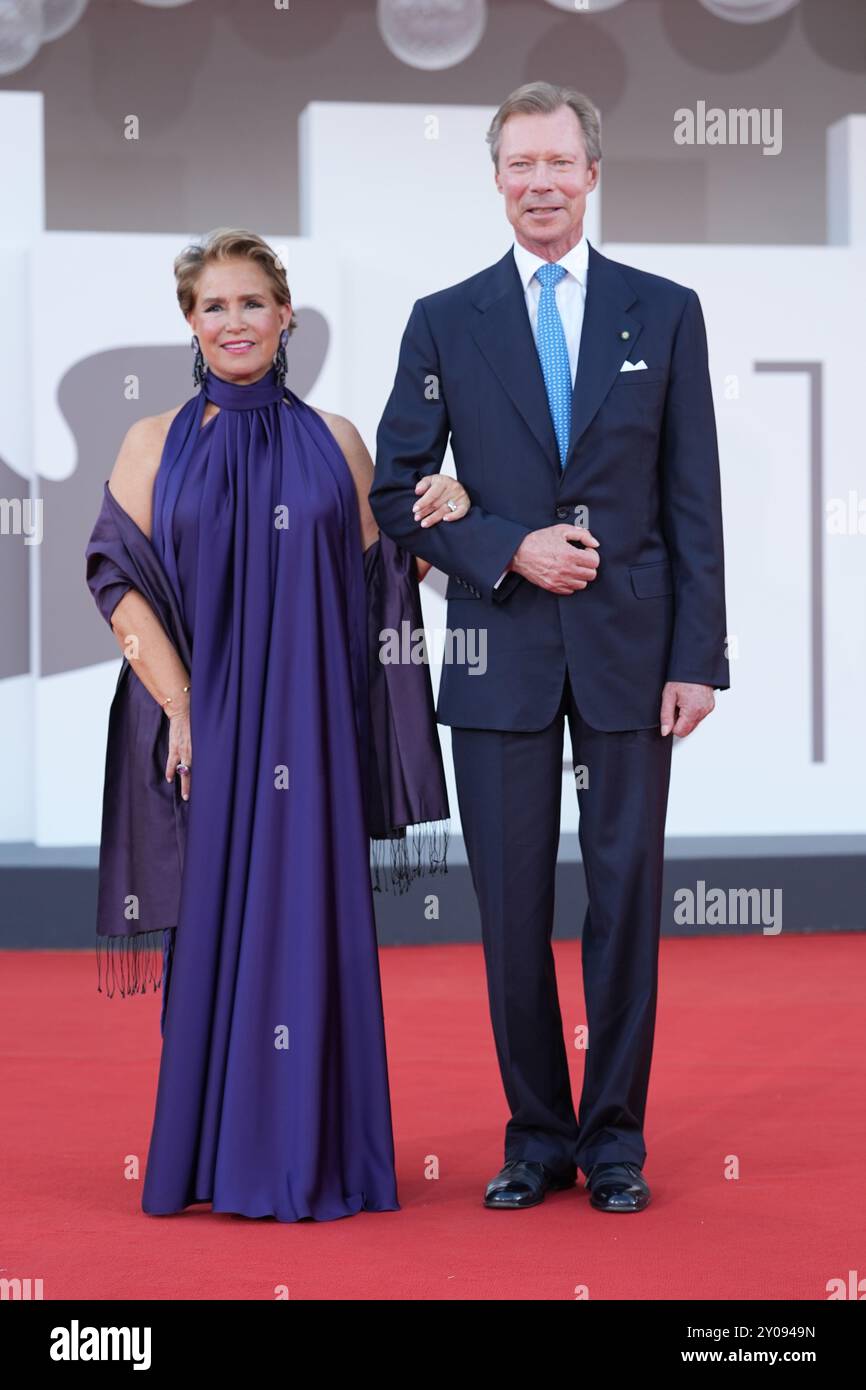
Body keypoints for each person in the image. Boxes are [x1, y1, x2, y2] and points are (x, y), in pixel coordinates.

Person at [370, 83, 730, 1214]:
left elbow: (692, 498)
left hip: (632, 655)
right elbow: (393, 491)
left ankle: (613, 1139)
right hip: (498, 654)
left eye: (556, 162)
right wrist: (505, 548)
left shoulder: (663, 310)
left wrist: (698, 656)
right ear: (494, 178)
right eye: (517, 163)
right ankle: (535, 1134)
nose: (538, 181)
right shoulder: (444, 317)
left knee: (624, 899)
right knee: (510, 909)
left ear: (589, 174)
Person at [84, 227, 468, 1222]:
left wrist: (449, 511)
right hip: (204, 729)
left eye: (251, 302)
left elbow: (386, 579)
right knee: (217, 932)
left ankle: (312, 1150)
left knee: (305, 932)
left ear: (285, 314)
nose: (234, 320)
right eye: (214, 305)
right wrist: (181, 710)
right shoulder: (153, 442)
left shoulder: (337, 440)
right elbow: (116, 580)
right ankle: (214, 1155)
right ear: (190, 322)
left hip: (313, 737)